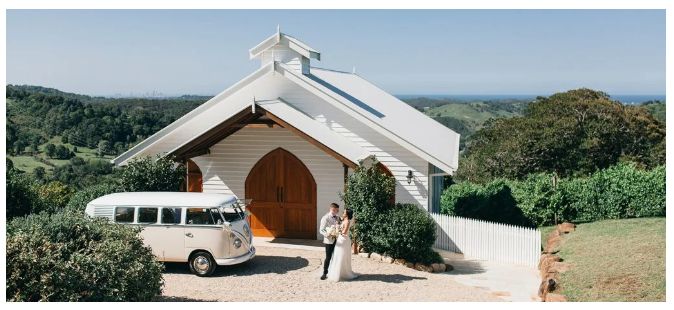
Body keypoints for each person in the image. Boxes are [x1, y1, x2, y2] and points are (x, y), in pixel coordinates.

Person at [326, 208, 359, 282]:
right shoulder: (344, 220)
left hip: (344, 240)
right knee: (337, 256)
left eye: (344, 212)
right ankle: (338, 272)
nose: (343, 213)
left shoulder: (347, 221)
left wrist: (337, 230)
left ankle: (343, 273)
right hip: (340, 239)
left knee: (341, 256)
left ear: (347, 214)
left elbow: (344, 232)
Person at [319, 203, 341, 280]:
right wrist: (329, 234)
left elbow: (340, 227)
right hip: (329, 240)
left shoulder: (338, 218)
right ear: (331, 209)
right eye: (335, 210)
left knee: (336, 257)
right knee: (328, 257)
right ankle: (325, 273)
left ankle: (335, 272)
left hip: (337, 240)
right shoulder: (325, 218)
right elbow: (321, 230)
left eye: (338, 210)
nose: (337, 211)